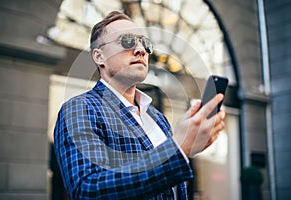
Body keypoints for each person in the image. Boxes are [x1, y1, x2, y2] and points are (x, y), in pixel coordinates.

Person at [54, 11, 226, 200]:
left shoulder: (157, 118)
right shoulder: (79, 109)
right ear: (99, 56)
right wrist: (178, 149)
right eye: (127, 41)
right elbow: (87, 190)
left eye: (145, 43)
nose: (141, 50)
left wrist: (188, 145)